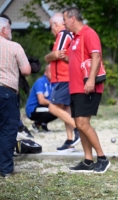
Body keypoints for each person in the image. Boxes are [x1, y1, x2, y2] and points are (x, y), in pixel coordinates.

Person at [60, 7, 110, 173]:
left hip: (87, 86)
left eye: (65, 19)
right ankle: (88, 160)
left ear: (73, 18)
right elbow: (75, 59)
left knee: (82, 123)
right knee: (79, 125)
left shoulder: (88, 33)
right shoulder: (74, 38)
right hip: (75, 87)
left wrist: (91, 79)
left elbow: (96, 56)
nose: (63, 22)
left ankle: (102, 158)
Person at [0, 16, 31, 178]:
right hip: (6, 92)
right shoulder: (14, 46)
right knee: (7, 129)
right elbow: (26, 70)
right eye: (10, 28)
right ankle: (5, 169)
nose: (11, 31)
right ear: (4, 30)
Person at [44, 13, 80, 152]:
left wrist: (46, 57)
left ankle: (78, 129)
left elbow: (56, 54)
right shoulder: (68, 35)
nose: (51, 30)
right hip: (66, 77)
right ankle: (70, 139)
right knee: (66, 109)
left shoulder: (63, 34)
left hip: (64, 78)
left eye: (51, 26)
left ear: (56, 25)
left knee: (53, 108)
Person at [25, 64, 57, 133]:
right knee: (55, 108)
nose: (53, 74)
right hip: (33, 109)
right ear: (45, 73)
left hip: (43, 107)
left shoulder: (54, 83)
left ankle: (43, 124)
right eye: (51, 72)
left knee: (59, 108)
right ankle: (37, 123)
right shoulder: (40, 82)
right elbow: (41, 101)